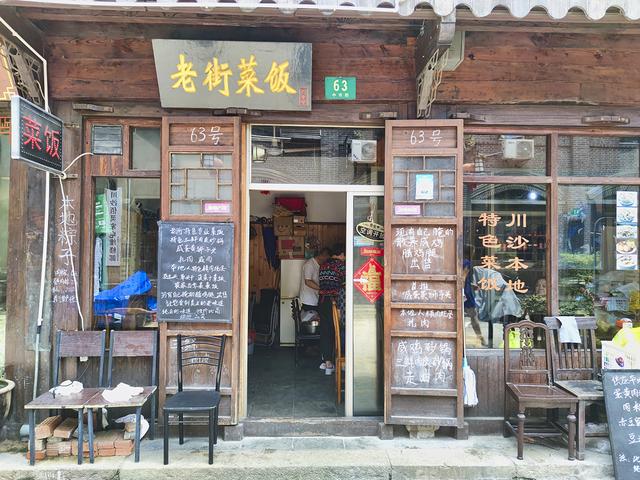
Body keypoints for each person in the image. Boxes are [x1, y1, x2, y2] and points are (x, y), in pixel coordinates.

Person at [318, 245, 346, 375]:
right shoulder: (340, 266)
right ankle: (342, 362)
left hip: (323, 301)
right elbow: (345, 285)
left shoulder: (323, 265)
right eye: (344, 256)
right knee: (339, 331)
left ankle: (327, 363)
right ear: (341, 254)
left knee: (325, 331)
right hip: (336, 302)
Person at [299, 248, 331, 312]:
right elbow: (308, 282)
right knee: (309, 317)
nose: (326, 260)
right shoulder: (309, 264)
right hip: (308, 300)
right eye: (327, 258)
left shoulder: (318, 264)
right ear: (322, 255)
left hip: (315, 299)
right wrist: (322, 289)